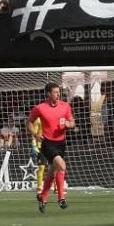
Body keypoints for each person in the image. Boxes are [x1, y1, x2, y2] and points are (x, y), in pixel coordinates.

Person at [26, 82, 75, 212]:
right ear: (48, 94)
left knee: (53, 172)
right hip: (47, 143)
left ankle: (43, 197)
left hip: (61, 143)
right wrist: (36, 134)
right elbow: (29, 122)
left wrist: (68, 124)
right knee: (62, 166)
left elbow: (72, 122)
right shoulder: (40, 108)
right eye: (55, 92)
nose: (58, 94)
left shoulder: (65, 106)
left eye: (59, 92)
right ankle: (61, 197)